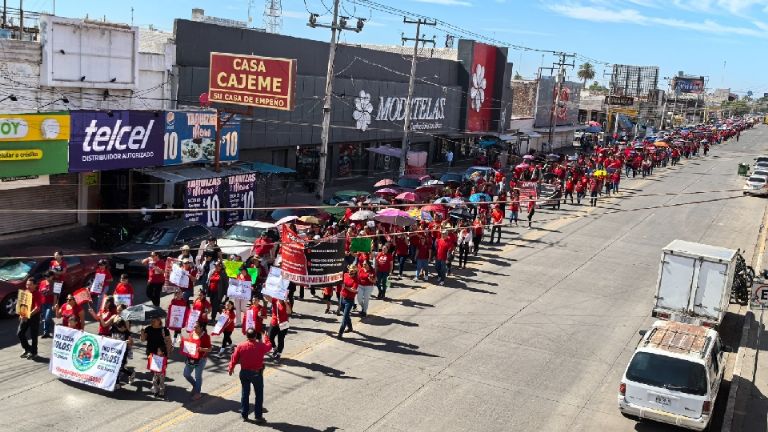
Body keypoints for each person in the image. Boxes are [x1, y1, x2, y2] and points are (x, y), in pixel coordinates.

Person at [229, 328, 273, 424]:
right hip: (256, 374)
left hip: (244, 373)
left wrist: (231, 368)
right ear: (256, 336)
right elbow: (269, 346)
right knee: (259, 395)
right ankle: (258, 416)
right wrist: (266, 336)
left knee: (245, 393)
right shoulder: (260, 346)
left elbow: (234, 358)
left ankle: (244, 414)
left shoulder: (240, 346)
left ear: (246, 336)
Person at [141, 316, 172, 399]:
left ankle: (159, 388)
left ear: (159, 321)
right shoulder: (148, 328)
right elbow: (143, 340)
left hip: (161, 354)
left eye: (154, 319)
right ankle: (156, 386)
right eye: (152, 320)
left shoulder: (164, 330)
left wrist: (168, 353)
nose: (152, 321)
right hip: (151, 353)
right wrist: (142, 333)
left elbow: (169, 341)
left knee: (160, 372)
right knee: (154, 372)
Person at [183, 321, 212, 400]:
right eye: (194, 327)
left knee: (197, 376)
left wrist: (202, 349)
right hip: (191, 358)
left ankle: (198, 393)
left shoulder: (205, 336)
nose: (194, 328)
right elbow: (189, 344)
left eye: (196, 327)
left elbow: (209, 349)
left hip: (201, 359)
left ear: (201, 328)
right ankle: (195, 385)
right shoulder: (192, 333)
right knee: (186, 374)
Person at [18, 278, 43, 359]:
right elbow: (22, 304)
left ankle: (34, 352)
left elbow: (37, 308)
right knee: (20, 333)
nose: (28, 286)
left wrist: (27, 315)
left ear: (35, 285)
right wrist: (21, 314)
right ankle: (27, 349)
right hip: (25, 315)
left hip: (34, 316)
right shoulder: (26, 292)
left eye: (30, 284)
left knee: (33, 335)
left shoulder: (37, 294)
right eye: (27, 284)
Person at [110, 317, 135, 388]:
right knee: (115, 367)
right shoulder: (113, 329)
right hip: (115, 351)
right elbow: (111, 338)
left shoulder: (127, 332)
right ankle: (117, 383)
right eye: (120, 328)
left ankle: (130, 373)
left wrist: (128, 342)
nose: (121, 330)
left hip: (124, 353)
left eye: (123, 328)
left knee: (120, 368)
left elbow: (131, 343)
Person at [337, 265, 358, 339]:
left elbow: (354, 290)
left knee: (345, 317)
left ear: (355, 272)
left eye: (352, 271)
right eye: (349, 270)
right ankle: (350, 327)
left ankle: (340, 333)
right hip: (342, 297)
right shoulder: (345, 275)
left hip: (349, 300)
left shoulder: (356, 280)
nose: (350, 272)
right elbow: (339, 279)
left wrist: (345, 287)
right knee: (345, 314)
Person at [267, 297, 291, 361]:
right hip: (274, 323)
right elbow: (266, 297)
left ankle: (279, 353)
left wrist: (286, 303)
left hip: (284, 324)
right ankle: (275, 348)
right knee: (269, 337)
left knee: (280, 339)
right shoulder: (274, 300)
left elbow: (289, 312)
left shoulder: (286, 303)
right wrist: (264, 288)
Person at [38, 270, 56, 338]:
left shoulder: (54, 284)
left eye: (48, 276)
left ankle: (53, 330)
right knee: (46, 318)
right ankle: (46, 332)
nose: (46, 278)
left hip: (50, 303)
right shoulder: (42, 282)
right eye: (45, 276)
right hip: (43, 303)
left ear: (52, 277)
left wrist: (54, 304)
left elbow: (55, 295)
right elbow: (39, 292)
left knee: (47, 317)